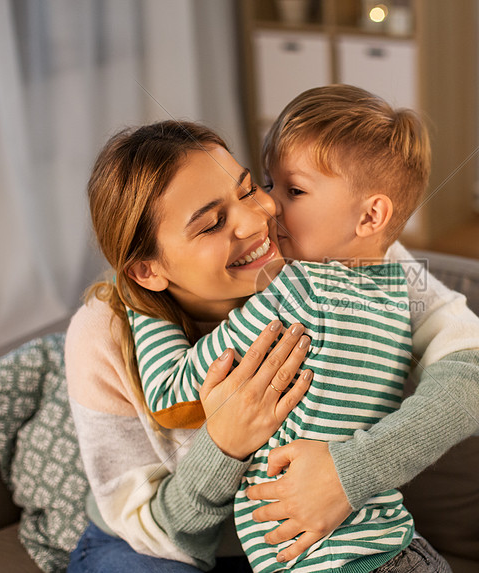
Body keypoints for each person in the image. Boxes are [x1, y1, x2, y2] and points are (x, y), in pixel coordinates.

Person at [66, 112, 479, 573]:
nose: (257, 221)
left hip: (316, 541)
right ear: (148, 270)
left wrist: (349, 472)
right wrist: (224, 445)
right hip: (153, 543)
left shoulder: (337, 252)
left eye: (248, 189)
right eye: (211, 223)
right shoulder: (101, 333)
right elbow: (160, 528)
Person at [126, 85, 455, 572]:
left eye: (294, 190)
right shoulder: (396, 290)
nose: (271, 207)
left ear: (371, 215)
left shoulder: (300, 292)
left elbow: (169, 393)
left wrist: (141, 302)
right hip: (398, 548)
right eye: (268, 183)